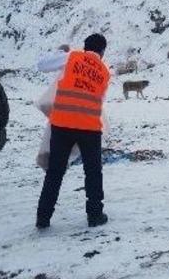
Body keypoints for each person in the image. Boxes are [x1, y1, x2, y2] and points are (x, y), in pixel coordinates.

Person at [36, 33, 111, 229]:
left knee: (55, 173)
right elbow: (100, 101)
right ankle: (94, 215)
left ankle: (43, 218)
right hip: (90, 127)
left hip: (62, 124)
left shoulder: (72, 57)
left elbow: (42, 65)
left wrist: (61, 51)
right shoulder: (104, 71)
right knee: (93, 172)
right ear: (102, 52)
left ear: (85, 47)